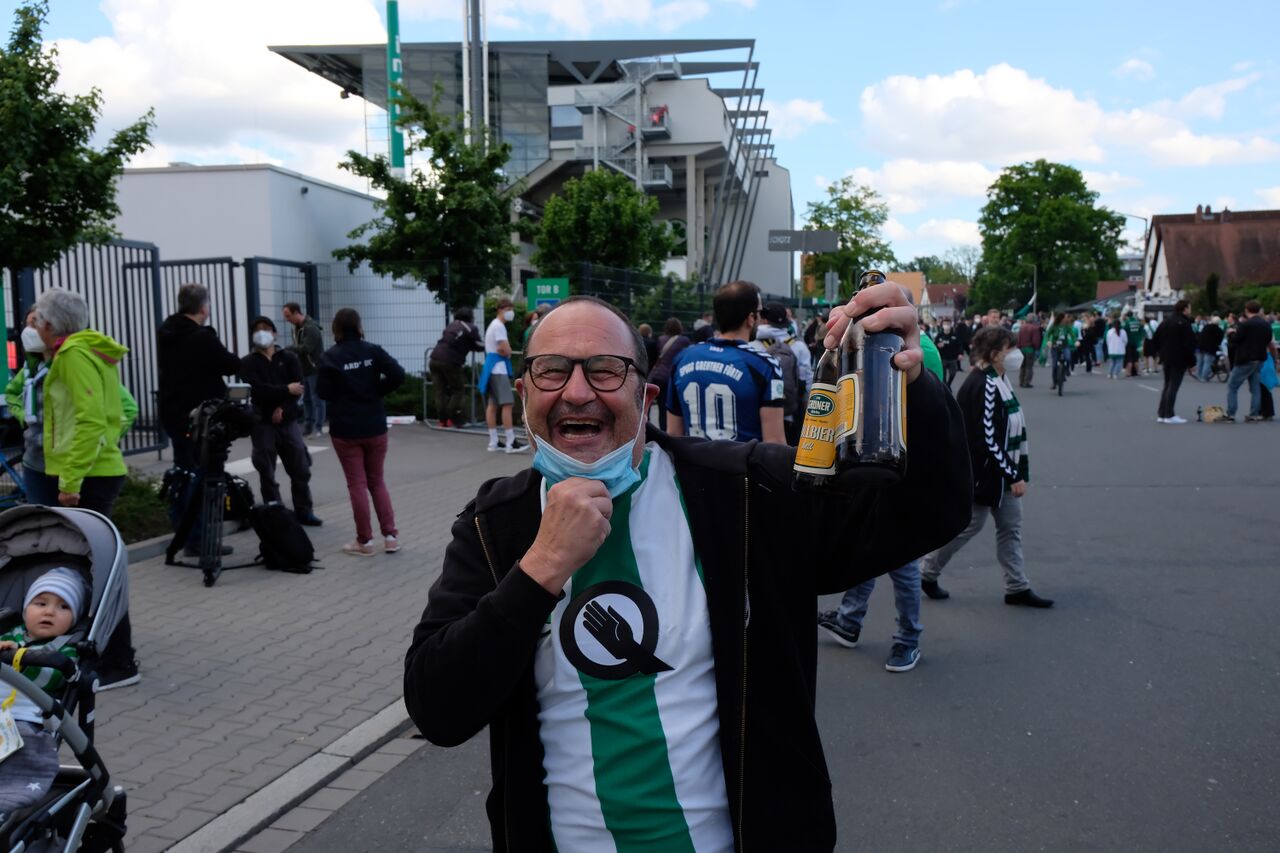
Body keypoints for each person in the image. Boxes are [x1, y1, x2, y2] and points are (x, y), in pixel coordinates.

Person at [403, 289, 972, 852]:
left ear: (646, 395)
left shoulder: (745, 493)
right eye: (552, 370)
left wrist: (914, 387)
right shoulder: (494, 526)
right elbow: (438, 710)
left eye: (605, 370)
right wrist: (540, 569)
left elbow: (929, 512)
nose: (576, 392)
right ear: (525, 392)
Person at [816, 344, 950, 673]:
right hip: (874, 460)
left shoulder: (913, 348)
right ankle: (849, 620)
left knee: (900, 560)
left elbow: (927, 408)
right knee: (866, 545)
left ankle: (908, 638)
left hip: (900, 464)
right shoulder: (868, 343)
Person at [32, 289, 140, 688]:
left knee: (98, 572)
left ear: (50, 324)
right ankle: (103, 655)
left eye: (38, 319)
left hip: (87, 476)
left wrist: (71, 480)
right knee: (97, 568)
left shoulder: (75, 355)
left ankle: (119, 663)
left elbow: (91, 420)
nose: (35, 326)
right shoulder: (82, 351)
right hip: (96, 470)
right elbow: (116, 413)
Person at [921, 326, 1053, 608]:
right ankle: (927, 571)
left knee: (1010, 528)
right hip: (984, 473)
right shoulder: (985, 385)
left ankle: (1017, 586)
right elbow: (987, 439)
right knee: (968, 526)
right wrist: (1013, 474)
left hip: (997, 472)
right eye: (1009, 349)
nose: (1015, 353)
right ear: (995, 354)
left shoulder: (998, 379)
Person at [158, 283, 242, 558]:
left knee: (183, 473)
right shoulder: (202, 337)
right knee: (201, 476)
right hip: (200, 419)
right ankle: (198, 539)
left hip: (173, 414)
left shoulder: (166, 332)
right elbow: (230, 364)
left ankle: (182, 534)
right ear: (204, 308)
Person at [317, 308, 406, 557]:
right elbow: (398, 374)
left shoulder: (330, 357)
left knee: (357, 484)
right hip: (374, 424)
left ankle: (364, 541)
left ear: (336, 328)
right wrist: (376, 391)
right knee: (377, 481)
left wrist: (344, 396)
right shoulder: (372, 351)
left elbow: (322, 392)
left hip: (345, 428)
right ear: (358, 326)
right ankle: (391, 537)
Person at [0, 568, 85, 816]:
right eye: (41, 603)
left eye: (63, 607)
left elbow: (52, 676)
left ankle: (7, 797)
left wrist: (21, 658)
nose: (49, 612)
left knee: (24, 747)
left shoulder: (66, 650)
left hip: (28, 717)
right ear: (25, 610)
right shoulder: (8, 634)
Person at [666, 281, 786, 444]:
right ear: (751, 318)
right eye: (760, 312)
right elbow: (774, 442)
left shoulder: (683, 358)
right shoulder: (764, 365)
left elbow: (673, 433)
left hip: (692, 459)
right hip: (743, 460)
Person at [238, 316, 319, 524]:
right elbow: (257, 390)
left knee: (300, 467)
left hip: (288, 421)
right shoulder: (247, 363)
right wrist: (285, 390)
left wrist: (283, 407)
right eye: (257, 329)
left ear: (275, 333)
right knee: (266, 469)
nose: (262, 333)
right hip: (262, 422)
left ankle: (304, 510)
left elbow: (298, 388)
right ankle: (276, 513)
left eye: (266, 328)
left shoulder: (289, 358)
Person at [756, 301, 812, 445]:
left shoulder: (754, 345)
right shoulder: (799, 346)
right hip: (791, 412)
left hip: (761, 415)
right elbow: (808, 382)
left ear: (764, 320)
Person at [481, 298, 527, 453]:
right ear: (501, 309)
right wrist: (507, 351)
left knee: (492, 405)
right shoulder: (499, 326)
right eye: (509, 309)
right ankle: (510, 441)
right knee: (507, 404)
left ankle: (494, 441)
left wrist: (506, 351)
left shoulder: (493, 325)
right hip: (498, 369)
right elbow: (505, 349)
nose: (511, 313)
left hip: (491, 368)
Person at [429, 307, 485, 428]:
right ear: (470, 317)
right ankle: (453, 417)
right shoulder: (470, 327)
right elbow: (478, 344)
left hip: (434, 358)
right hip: (450, 361)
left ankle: (442, 420)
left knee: (440, 391)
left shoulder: (452, 325)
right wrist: (487, 346)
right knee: (458, 389)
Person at [1225, 300, 1277, 423]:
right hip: (1260, 359)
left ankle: (1231, 413)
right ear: (1259, 310)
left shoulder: (1246, 324)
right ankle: (1254, 414)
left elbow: (1236, 339)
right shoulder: (1266, 324)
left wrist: (1231, 334)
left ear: (1246, 310)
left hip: (1245, 358)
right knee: (1255, 388)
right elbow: (1268, 340)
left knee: (1232, 386)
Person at [282, 303, 326, 437]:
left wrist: (289, 348)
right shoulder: (297, 328)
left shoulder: (310, 328)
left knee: (316, 399)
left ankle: (318, 428)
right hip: (304, 368)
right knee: (307, 399)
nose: (287, 319)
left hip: (314, 368)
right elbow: (300, 347)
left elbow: (306, 348)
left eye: (288, 316)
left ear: (296, 313)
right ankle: (309, 427)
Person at [1152, 300, 1197, 425]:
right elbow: (1189, 345)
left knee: (1167, 385)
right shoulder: (1184, 323)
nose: (1190, 310)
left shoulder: (1165, 321)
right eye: (1189, 307)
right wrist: (1192, 362)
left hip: (1166, 358)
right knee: (1173, 386)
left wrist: (1161, 353)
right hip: (1179, 358)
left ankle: (1162, 414)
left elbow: (1155, 339)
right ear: (1185, 309)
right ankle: (1169, 414)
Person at [648, 317, 691, 431]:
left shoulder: (660, 339)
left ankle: (653, 429)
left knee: (655, 405)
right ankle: (665, 432)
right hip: (671, 377)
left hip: (657, 376)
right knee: (666, 408)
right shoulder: (684, 341)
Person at [934, 317, 964, 388]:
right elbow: (934, 345)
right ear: (942, 325)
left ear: (951, 325)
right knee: (943, 376)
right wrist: (938, 345)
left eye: (948, 324)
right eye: (945, 324)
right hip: (943, 358)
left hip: (952, 358)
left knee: (952, 373)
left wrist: (960, 353)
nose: (946, 325)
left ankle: (949, 384)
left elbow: (960, 345)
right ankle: (945, 387)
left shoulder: (955, 335)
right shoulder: (939, 335)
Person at [1015, 313, 1043, 388]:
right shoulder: (1034, 328)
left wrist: (1018, 347)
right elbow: (1036, 341)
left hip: (1022, 349)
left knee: (1022, 366)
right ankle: (1026, 382)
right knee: (1029, 367)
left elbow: (1018, 339)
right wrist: (1037, 348)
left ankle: (1021, 381)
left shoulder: (1022, 327)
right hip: (1030, 349)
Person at [1196, 315, 1225, 381]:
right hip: (1210, 348)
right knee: (1207, 363)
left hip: (1200, 346)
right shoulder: (1219, 330)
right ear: (1218, 322)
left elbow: (1200, 335)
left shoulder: (1206, 327)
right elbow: (1219, 341)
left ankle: (1198, 375)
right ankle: (1203, 377)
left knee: (1200, 362)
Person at [1122, 311, 1145, 377]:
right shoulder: (1138, 323)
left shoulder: (1126, 323)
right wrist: (1139, 339)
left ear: (1127, 316)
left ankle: (1128, 373)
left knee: (1129, 359)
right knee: (1136, 358)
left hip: (1128, 343)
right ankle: (1138, 372)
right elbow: (1142, 332)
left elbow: (1123, 331)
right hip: (1137, 343)